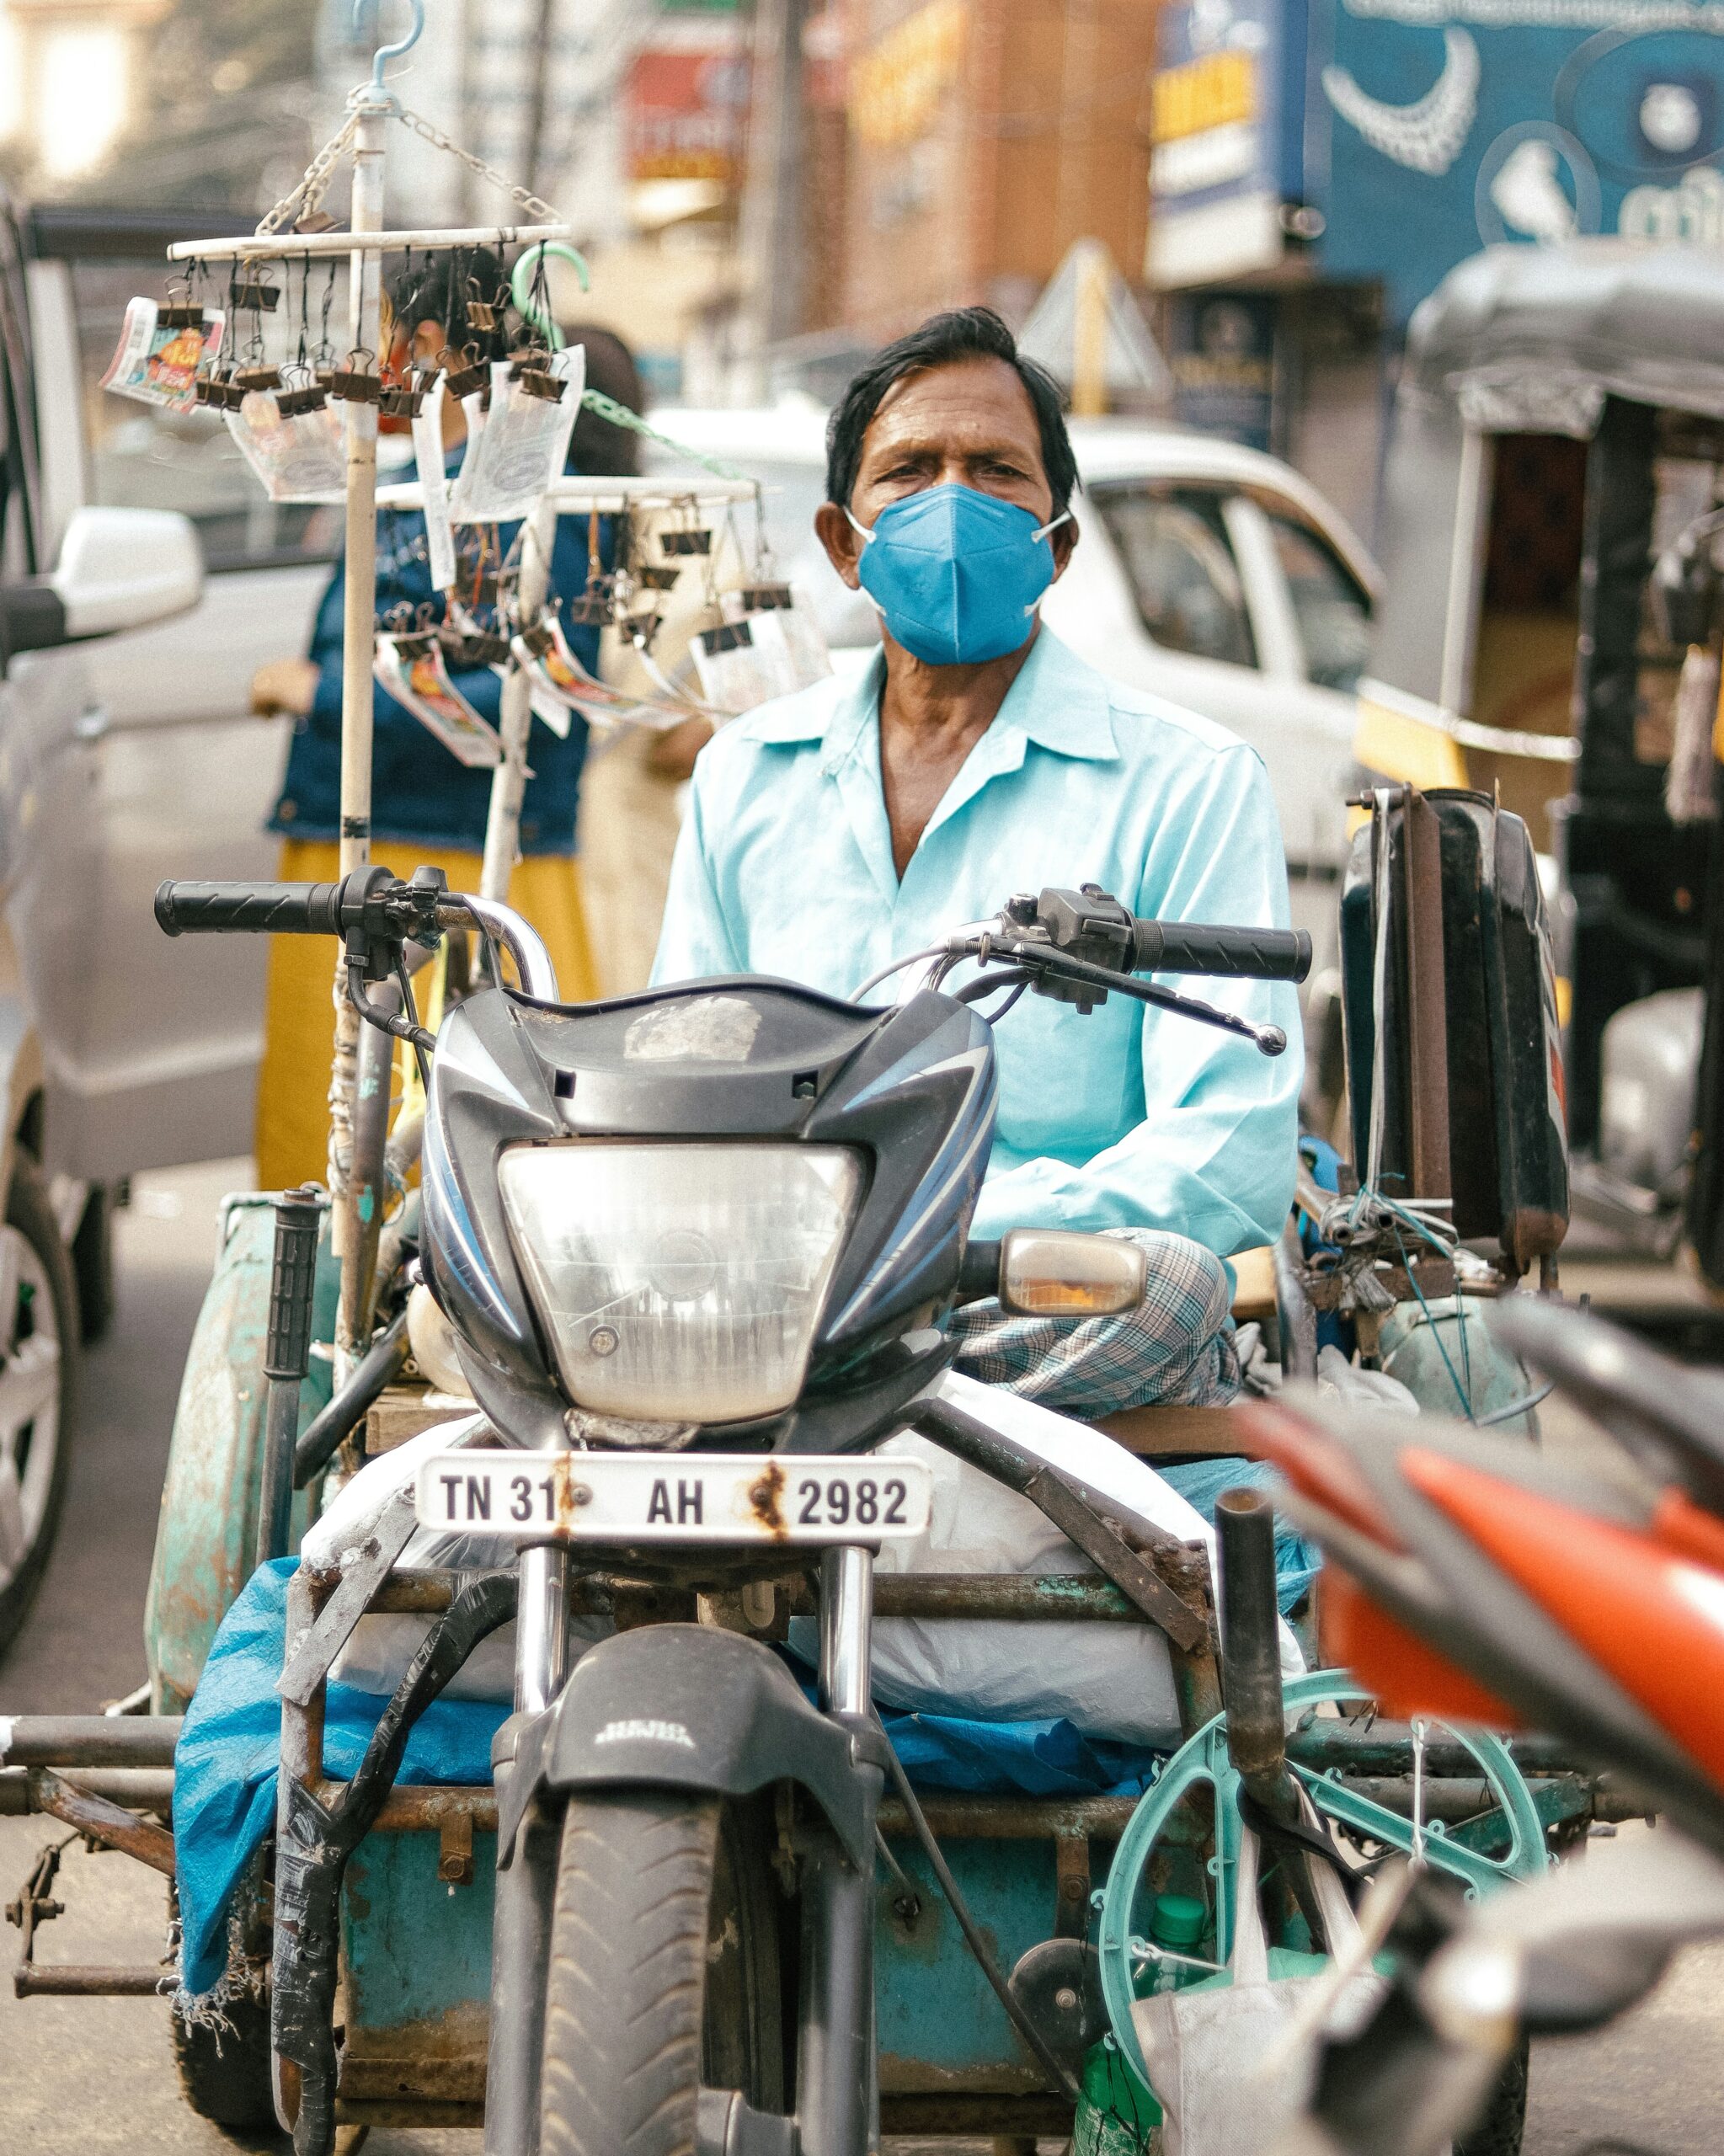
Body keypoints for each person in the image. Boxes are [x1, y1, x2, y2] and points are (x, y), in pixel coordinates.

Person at [653, 308, 1300, 1411]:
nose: (951, 502)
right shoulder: (744, 774)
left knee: (1172, 1289)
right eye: (908, 469)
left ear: (1058, 541)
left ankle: (843, 1408)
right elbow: (684, 1077)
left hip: (1032, 1295)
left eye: (996, 470)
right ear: (839, 544)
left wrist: (946, 1229)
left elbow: (1228, 1147)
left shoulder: (1190, 780)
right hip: (776, 1290)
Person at [249, 251, 601, 1191]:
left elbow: (534, 692)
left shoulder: (517, 503)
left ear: (431, 345)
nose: (348, 361)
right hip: (360, 853)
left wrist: (320, 694)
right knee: (324, 1144)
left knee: (436, 1157)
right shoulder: (414, 480)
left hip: (446, 871)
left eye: (371, 334)